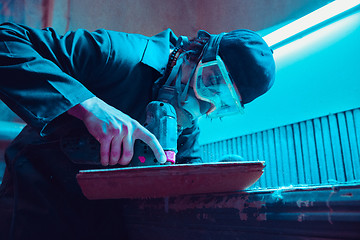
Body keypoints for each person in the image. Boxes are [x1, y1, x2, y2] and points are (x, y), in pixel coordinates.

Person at [0, 22, 275, 239]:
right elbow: (6, 40)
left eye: (222, 102)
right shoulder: (117, 55)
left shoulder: (187, 124)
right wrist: (88, 106)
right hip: (36, 200)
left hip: (102, 218)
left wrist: (220, 184)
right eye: (211, 81)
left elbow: (187, 172)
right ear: (198, 53)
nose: (204, 102)